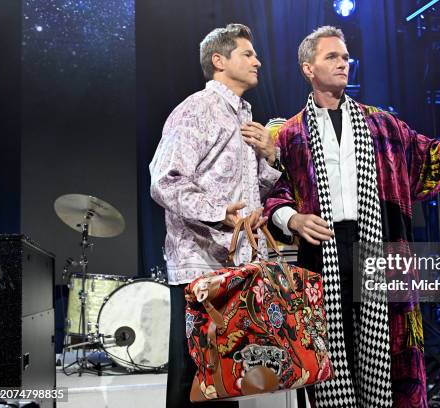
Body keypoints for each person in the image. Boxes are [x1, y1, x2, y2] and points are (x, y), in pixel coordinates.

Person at [263, 26, 440, 408]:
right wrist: (293, 220)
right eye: (332, 57)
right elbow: (274, 193)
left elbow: (431, 159)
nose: (344, 63)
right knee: (330, 363)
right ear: (308, 68)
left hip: (379, 250)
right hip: (321, 255)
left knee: (389, 358)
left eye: (345, 57)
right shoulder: (289, 134)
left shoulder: (381, 126)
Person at [149, 23, 281, 407]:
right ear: (219, 61)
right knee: (193, 380)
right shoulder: (197, 109)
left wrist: (270, 159)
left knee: (226, 379)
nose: (258, 60)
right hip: (199, 268)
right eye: (247, 54)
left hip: (234, 266)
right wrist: (218, 212)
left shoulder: (244, 116)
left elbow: (251, 192)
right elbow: (165, 180)